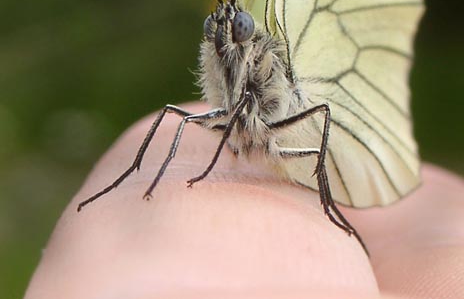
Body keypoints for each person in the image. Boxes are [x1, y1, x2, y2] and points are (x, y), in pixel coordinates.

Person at [25, 103, 464, 298]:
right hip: (261, 138)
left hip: (294, 137)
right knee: (172, 116)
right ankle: (128, 178)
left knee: (319, 118)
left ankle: (331, 209)